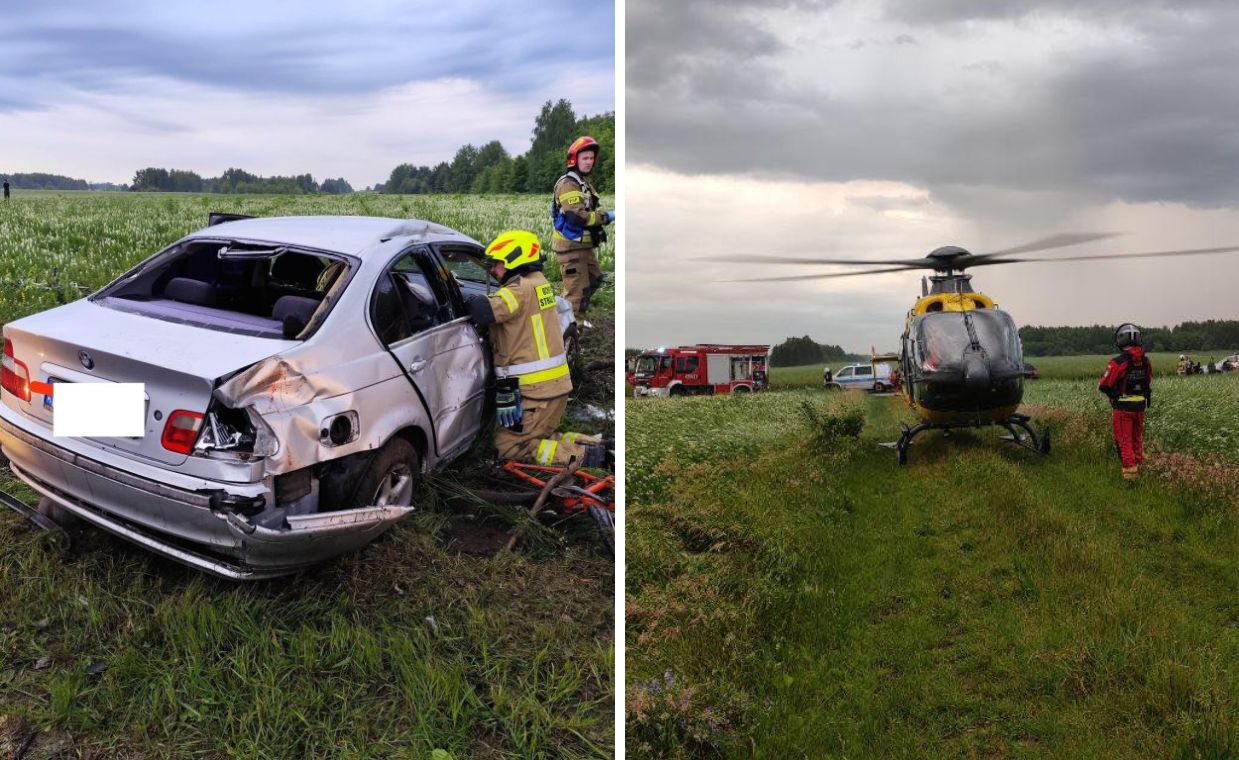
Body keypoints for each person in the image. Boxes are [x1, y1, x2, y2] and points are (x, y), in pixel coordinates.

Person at [465, 230, 609, 468]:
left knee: (511, 447)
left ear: (514, 260)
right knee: (541, 436)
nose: (492, 270)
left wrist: (467, 299)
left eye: (497, 263)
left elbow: (483, 311)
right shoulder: (539, 282)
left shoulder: (517, 291)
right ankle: (601, 446)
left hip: (535, 392)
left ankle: (592, 457)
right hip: (551, 387)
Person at [550, 136, 614, 322]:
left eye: (591, 158)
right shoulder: (568, 184)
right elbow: (576, 217)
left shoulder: (582, 183)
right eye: (585, 158)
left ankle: (563, 315)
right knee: (577, 295)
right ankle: (569, 331)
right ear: (574, 160)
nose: (589, 162)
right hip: (571, 248)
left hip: (582, 247)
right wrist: (605, 217)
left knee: (594, 278)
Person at [1098, 323, 1152, 481]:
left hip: (1123, 408)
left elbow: (1104, 385)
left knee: (1124, 441)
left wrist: (1113, 394)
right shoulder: (1146, 361)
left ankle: (1131, 477)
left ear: (1120, 340)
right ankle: (1141, 468)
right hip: (1140, 407)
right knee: (1137, 439)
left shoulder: (1118, 362)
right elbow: (1148, 381)